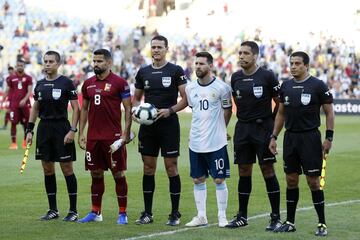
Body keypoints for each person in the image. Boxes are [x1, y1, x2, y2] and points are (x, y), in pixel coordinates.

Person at [269, 51, 334, 236]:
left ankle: (322, 223)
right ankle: (290, 222)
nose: (294, 66)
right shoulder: (286, 86)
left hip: (310, 138)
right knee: (291, 180)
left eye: (297, 63)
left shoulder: (318, 85)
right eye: (292, 63)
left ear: (306, 65)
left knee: (313, 182)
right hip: (291, 138)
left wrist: (329, 138)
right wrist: (273, 137)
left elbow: (329, 112)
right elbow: (281, 113)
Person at [132, 35, 188, 226]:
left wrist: (170, 110)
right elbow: (136, 98)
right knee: (148, 168)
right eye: (153, 47)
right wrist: (134, 112)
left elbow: (185, 99)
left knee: (171, 167)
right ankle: (147, 213)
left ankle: (175, 213)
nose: (156, 50)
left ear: (166, 49)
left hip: (169, 126)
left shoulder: (175, 70)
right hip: (148, 128)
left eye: (159, 47)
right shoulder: (143, 72)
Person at [226, 41, 282, 230]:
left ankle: (275, 217)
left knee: (267, 170)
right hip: (242, 129)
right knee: (243, 171)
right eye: (240, 53)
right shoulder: (235, 77)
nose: (241, 56)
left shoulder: (267, 76)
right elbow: (237, 102)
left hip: (263, 129)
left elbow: (279, 104)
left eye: (245, 53)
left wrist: (271, 126)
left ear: (255, 56)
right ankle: (242, 216)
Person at [78, 49, 132, 224]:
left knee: (118, 174)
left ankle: (122, 213)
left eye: (100, 61)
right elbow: (84, 109)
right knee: (95, 174)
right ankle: (95, 212)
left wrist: (125, 133)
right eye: (94, 61)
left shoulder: (120, 83)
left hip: (113, 138)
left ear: (109, 63)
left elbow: (128, 109)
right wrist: (81, 133)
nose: (96, 64)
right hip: (93, 138)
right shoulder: (87, 84)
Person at [25, 51, 80, 221]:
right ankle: (53, 210)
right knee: (47, 169)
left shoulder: (66, 83)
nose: (47, 64)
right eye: (45, 61)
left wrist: (72, 130)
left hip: (61, 128)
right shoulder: (40, 84)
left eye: (51, 61)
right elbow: (35, 107)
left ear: (58, 64)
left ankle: (73, 211)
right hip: (44, 129)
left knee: (67, 168)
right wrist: (30, 130)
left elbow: (76, 108)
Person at [184, 52, 232, 228]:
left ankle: (222, 216)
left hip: (216, 143)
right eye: (196, 63)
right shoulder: (190, 88)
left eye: (202, 64)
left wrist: (222, 128)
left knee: (219, 180)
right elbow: (195, 110)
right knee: (198, 179)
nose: (198, 67)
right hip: (195, 142)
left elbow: (228, 111)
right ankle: (201, 216)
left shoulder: (222, 88)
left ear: (210, 66)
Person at [3, 60, 32, 149]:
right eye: (18, 65)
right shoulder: (11, 78)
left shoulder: (28, 78)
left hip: (25, 105)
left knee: (25, 124)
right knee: (13, 123)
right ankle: (14, 144)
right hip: (14, 105)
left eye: (21, 65)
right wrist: (3, 99)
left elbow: (29, 90)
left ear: (24, 66)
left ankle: (24, 142)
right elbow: (7, 90)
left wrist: (24, 99)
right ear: (16, 66)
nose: (20, 67)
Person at [1, 66, 14, 130]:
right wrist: (4, 98)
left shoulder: (17, 77)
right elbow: (7, 89)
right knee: (8, 111)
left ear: (13, 70)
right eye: (9, 70)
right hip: (10, 98)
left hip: (16, 98)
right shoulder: (8, 78)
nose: (10, 71)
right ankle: (5, 125)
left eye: (11, 70)